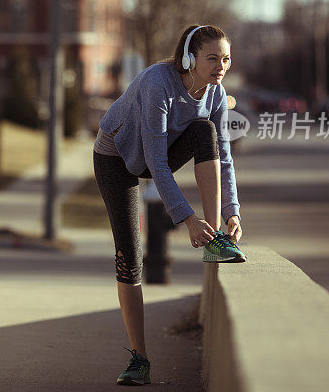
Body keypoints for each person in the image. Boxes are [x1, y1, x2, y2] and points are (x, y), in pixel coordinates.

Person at [92, 24, 245, 386]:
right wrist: (186, 220)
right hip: (117, 156)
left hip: (161, 149)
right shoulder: (157, 83)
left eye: (225, 59)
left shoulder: (216, 93)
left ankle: (217, 241)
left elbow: (223, 156)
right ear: (190, 57)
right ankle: (139, 358)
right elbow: (156, 164)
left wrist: (231, 211)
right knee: (130, 255)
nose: (220, 66)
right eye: (212, 58)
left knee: (205, 131)